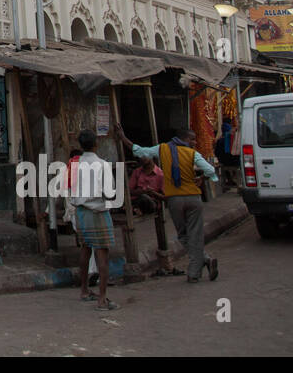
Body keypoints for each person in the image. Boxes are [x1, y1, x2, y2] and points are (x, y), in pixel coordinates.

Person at [116, 122, 219, 283]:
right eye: (192, 139)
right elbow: (211, 171)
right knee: (195, 235)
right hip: (193, 197)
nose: (194, 143)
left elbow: (140, 151)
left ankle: (202, 263)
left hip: (174, 200)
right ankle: (198, 267)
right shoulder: (193, 154)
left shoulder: (163, 149)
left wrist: (123, 138)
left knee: (183, 235)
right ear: (184, 139)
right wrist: (201, 178)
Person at [70, 130, 118, 311]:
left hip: (81, 213)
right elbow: (109, 192)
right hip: (97, 212)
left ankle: (84, 290)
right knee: (102, 254)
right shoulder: (102, 165)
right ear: (96, 144)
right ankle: (102, 299)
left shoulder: (75, 164)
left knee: (85, 249)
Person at [215, 117, 241, 189]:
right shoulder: (235, 140)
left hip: (224, 162)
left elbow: (216, 152)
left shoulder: (220, 141)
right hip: (235, 163)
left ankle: (229, 180)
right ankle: (235, 182)